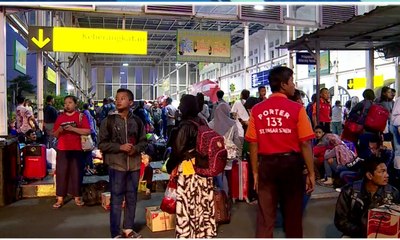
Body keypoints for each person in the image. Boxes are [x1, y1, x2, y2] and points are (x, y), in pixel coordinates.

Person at [245, 66, 315, 237]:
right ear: (283, 84)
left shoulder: (257, 110)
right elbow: (305, 144)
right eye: (292, 81)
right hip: (291, 166)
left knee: (265, 218)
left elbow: (253, 144)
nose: (294, 85)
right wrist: (311, 173)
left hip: (266, 166)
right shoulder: (297, 109)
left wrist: (255, 171)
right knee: (293, 216)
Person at [99, 88, 147, 238]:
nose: (118, 100)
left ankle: (128, 228)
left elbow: (144, 141)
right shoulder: (108, 121)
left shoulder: (138, 121)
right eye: (117, 98)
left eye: (123, 98)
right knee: (116, 199)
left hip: (134, 165)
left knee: (132, 197)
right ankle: (115, 233)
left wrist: (136, 149)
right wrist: (120, 147)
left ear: (131, 102)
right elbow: (102, 144)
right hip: (116, 165)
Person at [166, 94, 216, 238]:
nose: (180, 107)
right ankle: (203, 233)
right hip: (204, 169)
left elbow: (178, 150)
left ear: (186, 106)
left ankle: (188, 234)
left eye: (181, 104)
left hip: (189, 171)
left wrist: (170, 166)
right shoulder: (202, 122)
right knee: (202, 203)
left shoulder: (185, 126)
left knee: (188, 205)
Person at [334, 156, 400, 238]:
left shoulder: (393, 193)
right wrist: (365, 231)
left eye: (386, 171)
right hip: (356, 234)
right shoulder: (350, 191)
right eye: (382, 172)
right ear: (369, 175)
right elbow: (340, 221)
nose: (387, 175)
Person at [52, 95, 91, 209]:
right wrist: (61, 129)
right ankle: (60, 197)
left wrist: (73, 129)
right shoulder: (60, 117)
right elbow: (55, 134)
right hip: (62, 149)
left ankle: (77, 196)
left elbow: (87, 131)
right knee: (61, 173)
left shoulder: (81, 116)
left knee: (77, 173)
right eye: (65, 103)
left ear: (75, 104)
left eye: (70, 102)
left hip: (77, 149)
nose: (67, 105)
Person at [209, 100, 241, 193]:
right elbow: (237, 140)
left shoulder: (211, 124)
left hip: (216, 153)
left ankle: (221, 194)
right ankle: (228, 194)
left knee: (218, 173)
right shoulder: (233, 123)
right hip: (229, 152)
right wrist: (238, 154)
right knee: (228, 173)